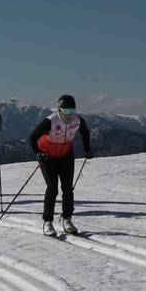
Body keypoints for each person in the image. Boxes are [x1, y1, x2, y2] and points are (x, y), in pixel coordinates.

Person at [29, 95, 93, 236]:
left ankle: (67, 219)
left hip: (66, 154)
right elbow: (32, 137)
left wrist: (87, 149)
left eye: (72, 111)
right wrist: (38, 153)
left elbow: (85, 133)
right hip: (48, 156)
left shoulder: (77, 119)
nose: (69, 114)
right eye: (66, 111)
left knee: (68, 188)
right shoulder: (50, 121)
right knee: (52, 188)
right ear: (59, 109)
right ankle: (48, 222)